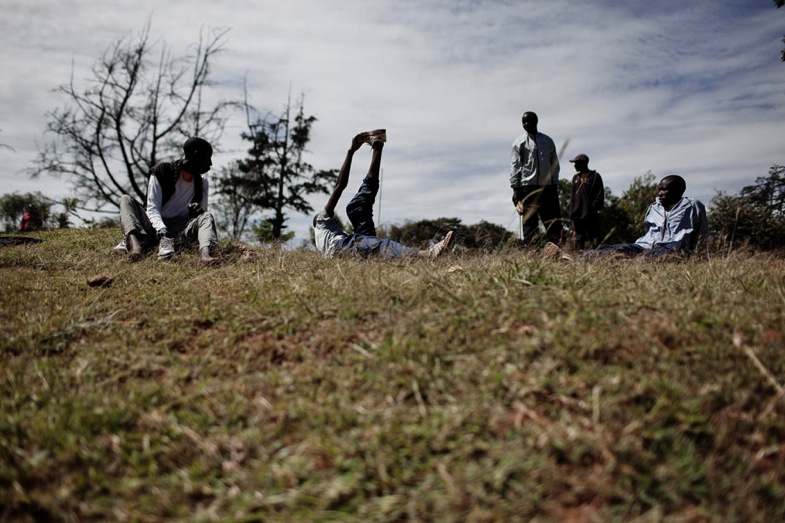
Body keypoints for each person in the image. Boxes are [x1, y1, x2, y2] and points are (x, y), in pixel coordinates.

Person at [313, 130, 454, 259]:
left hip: (346, 248)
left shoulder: (325, 238)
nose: (333, 218)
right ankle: (429, 255)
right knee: (379, 245)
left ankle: (377, 145)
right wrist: (351, 151)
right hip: (342, 248)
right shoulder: (321, 220)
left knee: (356, 207)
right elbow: (339, 186)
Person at [113, 137, 220, 264]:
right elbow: (152, 208)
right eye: (207, 158)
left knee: (207, 216)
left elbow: (201, 216)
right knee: (126, 199)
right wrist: (162, 230)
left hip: (179, 231)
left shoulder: (202, 183)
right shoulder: (162, 171)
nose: (210, 164)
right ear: (196, 156)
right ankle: (135, 246)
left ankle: (205, 256)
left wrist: (194, 214)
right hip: (153, 227)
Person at [584, 175, 708, 258]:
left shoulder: (692, 206)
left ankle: (631, 261)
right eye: (659, 189)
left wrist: (700, 256)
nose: (660, 193)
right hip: (645, 245)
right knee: (613, 249)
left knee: (649, 256)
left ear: (678, 190)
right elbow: (648, 231)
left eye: (664, 190)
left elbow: (702, 233)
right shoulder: (654, 208)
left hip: (673, 247)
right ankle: (581, 258)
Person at [510, 111, 562, 245]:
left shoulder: (547, 141)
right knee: (529, 223)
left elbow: (554, 164)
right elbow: (515, 166)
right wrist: (516, 190)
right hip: (528, 188)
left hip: (548, 188)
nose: (526, 124)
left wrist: (554, 184)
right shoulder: (519, 142)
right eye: (524, 122)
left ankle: (555, 251)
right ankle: (532, 253)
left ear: (536, 122)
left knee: (553, 222)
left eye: (529, 121)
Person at [567, 153, 604, 249]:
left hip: (590, 214)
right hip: (577, 215)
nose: (574, 165)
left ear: (583, 163)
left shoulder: (595, 176)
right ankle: (579, 260)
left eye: (576, 163)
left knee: (595, 239)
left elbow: (600, 194)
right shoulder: (575, 178)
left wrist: (592, 208)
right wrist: (571, 213)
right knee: (579, 240)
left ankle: (597, 259)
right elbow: (572, 197)